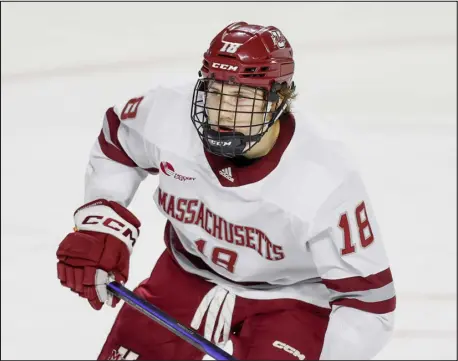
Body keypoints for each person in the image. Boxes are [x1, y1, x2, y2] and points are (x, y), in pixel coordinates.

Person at [56, 22, 396, 360]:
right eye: (215, 91)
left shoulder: (323, 177)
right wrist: (101, 224)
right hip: (185, 272)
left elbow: (368, 304)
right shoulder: (169, 113)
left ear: (279, 99)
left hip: (291, 300)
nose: (222, 111)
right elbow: (119, 140)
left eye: (242, 96)